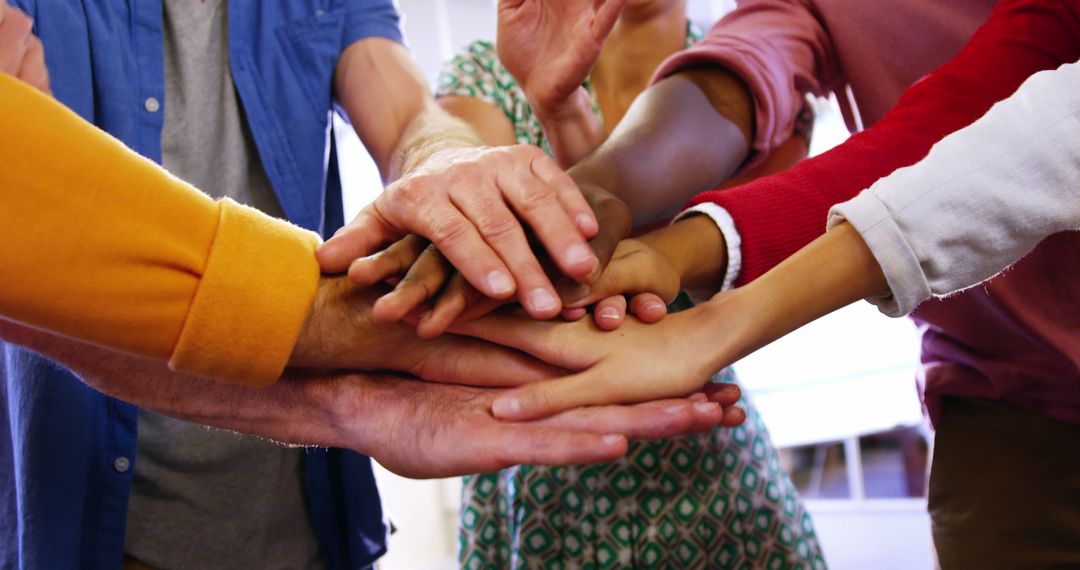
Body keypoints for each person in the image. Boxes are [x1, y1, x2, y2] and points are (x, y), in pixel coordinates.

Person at [0, 1, 735, 568]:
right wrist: (336, 354)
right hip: (82, 517)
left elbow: (409, 109)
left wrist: (444, 160)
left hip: (301, 515)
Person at [447, 1, 1080, 566]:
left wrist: (688, 284)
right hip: (997, 401)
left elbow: (980, 128)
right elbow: (489, 251)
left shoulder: (734, 65)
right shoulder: (746, 43)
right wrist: (576, 151)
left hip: (701, 440)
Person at [426, 1, 824, 568]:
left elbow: (732, 265)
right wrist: (560, 108)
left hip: (699, 455)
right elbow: (478, 244)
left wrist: (563, 114)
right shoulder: (488, 70)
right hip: (534, 460)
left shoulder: (754, 72)